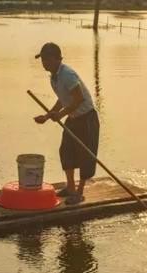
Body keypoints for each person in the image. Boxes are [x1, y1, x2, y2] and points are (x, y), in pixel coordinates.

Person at [33, 42, 100, 205]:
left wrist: (61, 115)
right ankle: (70, 187)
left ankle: (79, 192)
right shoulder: (54, 77)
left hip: (86, 118)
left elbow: (79, 99)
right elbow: (63, 99)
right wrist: (48, 116)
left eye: (47, 59)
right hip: (73, 117)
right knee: (66, 151)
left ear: (57, 59)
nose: (44, 63)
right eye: (42, 59)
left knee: (85, 154)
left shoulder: (67, 74)